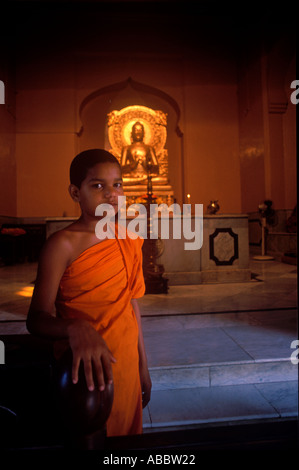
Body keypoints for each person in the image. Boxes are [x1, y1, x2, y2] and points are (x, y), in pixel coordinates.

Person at [26, 149, 152, 437]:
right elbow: (36, 319)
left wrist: (143, 367)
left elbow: (131, 306)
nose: (111, 194)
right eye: (98, 185)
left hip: (126, 364)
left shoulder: (128, 239)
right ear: (75, 192)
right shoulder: (63, 245)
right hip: (86, 369)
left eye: (117, 184)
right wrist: (74, 327)